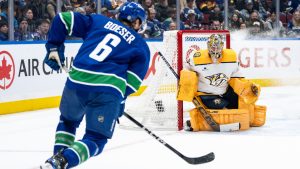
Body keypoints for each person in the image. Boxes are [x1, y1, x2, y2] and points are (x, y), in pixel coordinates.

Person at [39, 2, 150, 169]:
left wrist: (54, 47)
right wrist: (118, 101)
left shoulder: (98, 21)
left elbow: (62, 19)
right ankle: (63, 161)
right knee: (96, 139)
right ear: (137, 22)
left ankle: (56, 161)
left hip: (76, 82)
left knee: (68, 122)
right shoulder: (141, 46)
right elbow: (132, 82)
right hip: (106, 91)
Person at [177, 34, 266, 132]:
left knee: (243, 103)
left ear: (222, 45)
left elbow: (236, 77)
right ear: (207, 45)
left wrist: (248, 88)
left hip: (225, 91)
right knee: (222, 111)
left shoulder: (231, 58)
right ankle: (195, 122)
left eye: (217, 46)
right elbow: (186, 69)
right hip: (207, 95)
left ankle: (250, 119)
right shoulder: (197, 59)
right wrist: (187, 84)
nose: (215, 49)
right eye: (212, 46)